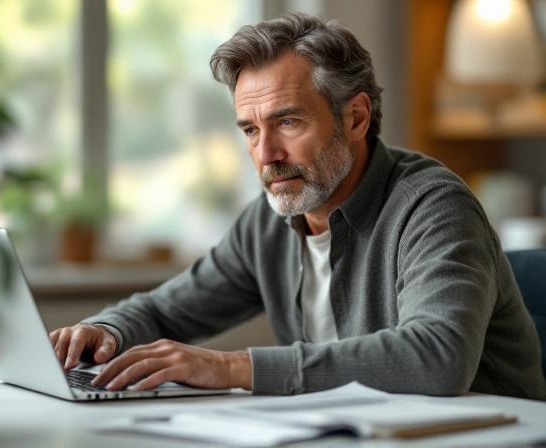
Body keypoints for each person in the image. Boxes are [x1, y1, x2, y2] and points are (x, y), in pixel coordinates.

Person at [49, 12, 546, 399]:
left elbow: (439, 356)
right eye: (250, 129)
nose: (266, 155)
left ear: (354, 117)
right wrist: (103, 330)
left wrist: (232, 366)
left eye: (287, 123)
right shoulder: (270, 221)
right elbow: (166, 310)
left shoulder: (434, 207)